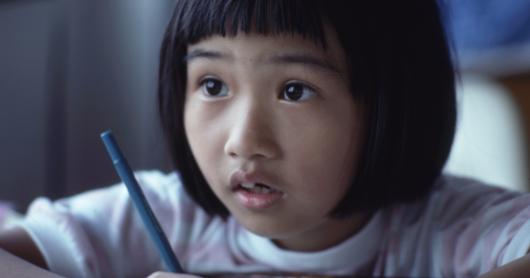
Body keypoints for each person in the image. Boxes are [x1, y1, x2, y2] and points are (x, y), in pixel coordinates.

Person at [1, 0, 530, 277]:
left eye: (295, 90)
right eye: (212, 85)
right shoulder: (167, 215)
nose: (243, 140)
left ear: (391, 103)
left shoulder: (445, 230)